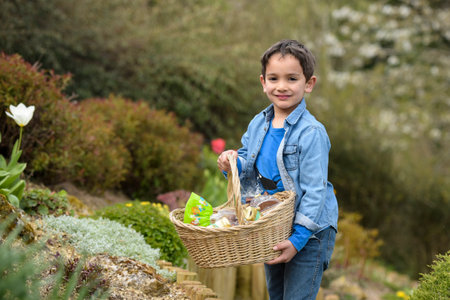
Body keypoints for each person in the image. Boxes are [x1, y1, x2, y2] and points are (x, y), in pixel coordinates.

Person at [217, 39, 338, 300]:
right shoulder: (258, 123)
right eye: (274, 78)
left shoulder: (312, 133)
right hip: (273, 225)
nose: (281, 86)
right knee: (277, 295)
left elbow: (315, 190)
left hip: (311, 231)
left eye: (292, 79)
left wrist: (298, 239)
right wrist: (231, 163)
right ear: (263, 82)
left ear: (309, 84)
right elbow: (247, 163)